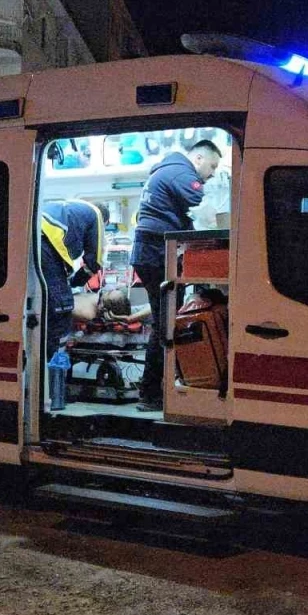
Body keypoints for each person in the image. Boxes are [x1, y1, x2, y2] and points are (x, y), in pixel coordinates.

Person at [130, 139, 221, 411]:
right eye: (212, 166)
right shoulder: (180, 172)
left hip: (150, 254)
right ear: (198, 158)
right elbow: (203, 203)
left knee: (164, 322)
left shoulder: (166, 170)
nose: (212, 174)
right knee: (166, 325)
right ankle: (151, 394)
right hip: (158, 254)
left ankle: (156, 390)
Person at [40, 199, 106, 360]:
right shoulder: (95, 213)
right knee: (62, 308)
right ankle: (54, 367)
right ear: (105, 222)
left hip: (31, 235)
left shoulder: (69, 206)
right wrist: (76, 282)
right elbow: (95, 260)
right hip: (46, 243)